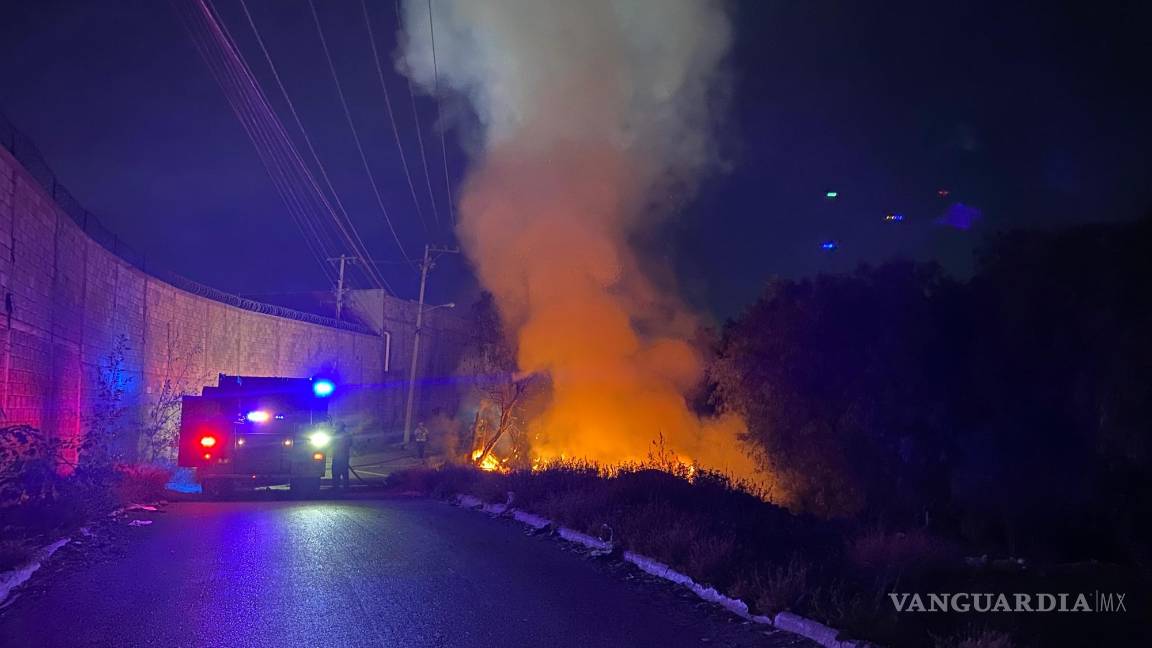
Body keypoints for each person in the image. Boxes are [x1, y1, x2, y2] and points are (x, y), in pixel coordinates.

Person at [331, 421, 353, 489]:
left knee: (337, 472)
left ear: (340, 427)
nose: (336, 427)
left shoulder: (337, 435)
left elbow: (331, 444)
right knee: (342, 472)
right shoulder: (346, 435)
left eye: (337, 426)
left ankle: (337, 486)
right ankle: (344, 486)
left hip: (340, 456)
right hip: (342, 456)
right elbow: (350, 443)